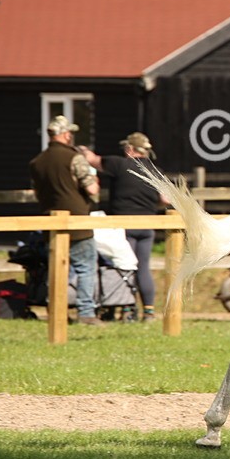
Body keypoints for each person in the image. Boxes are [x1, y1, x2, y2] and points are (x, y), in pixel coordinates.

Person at [80, 133, 168, 322]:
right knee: (143, 267)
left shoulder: (119, 164)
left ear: (129, 149)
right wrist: (151, 205)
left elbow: (92, 160)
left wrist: (82, 150)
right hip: (148, 225)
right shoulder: (156, 170)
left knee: (124, 266)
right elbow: (166, 199)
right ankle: (149, 311)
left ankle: (128, 309)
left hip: (123, 225)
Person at [29, 115, 103, 326]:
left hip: (50, 222)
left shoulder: (36, 162)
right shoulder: (74, 158)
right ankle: (86, 313)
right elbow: (92, 189)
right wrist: (95, 180)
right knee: (85, 267)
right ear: (65, 134)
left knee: (57, 268)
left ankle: (56, 309)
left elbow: (37, 192)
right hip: (77, 222)